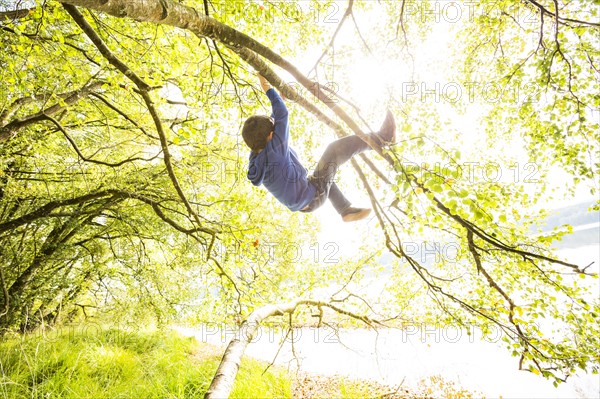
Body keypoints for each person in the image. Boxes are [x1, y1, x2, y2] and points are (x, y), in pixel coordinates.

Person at [242, 74, 396, 222]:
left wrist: (280, 100)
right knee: (333, 150)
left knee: (325, 173)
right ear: (270, 136)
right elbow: (282, 114)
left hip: (306, 199)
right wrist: (267, 87)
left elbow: (269, 127)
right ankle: (384, 138)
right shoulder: (275, 151)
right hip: (312, 195)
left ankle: (345, 210)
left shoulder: (256, 157)